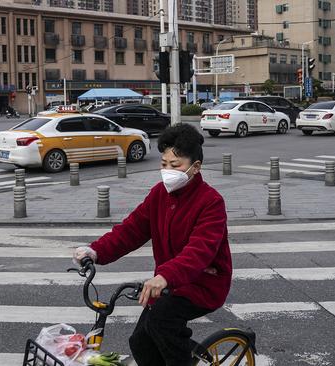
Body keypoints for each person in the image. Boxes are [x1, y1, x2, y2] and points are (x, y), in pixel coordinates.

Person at [73, 124, 232, 366]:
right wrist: (96, 251)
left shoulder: (211, 202)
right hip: (167, 284)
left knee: (161, 322)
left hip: (202, 283)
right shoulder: (159, 194)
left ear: (195, 167)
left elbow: (200, 251)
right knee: (140, 342)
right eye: (164, 163)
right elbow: (131, 229)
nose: (168, 170)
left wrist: (164, 276)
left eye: (175, 165)